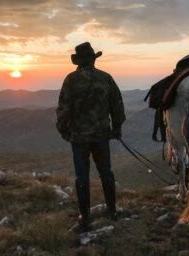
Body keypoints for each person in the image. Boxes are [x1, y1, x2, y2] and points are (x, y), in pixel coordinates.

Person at [56, 42, 126, 230]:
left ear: (78, 61)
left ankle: (85, 217)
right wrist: (116, 129)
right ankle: (112, 211)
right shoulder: (106, 78)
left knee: (82, 176)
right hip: (102, 135)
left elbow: (63, 109)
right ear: (93, 59)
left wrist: (64, 130)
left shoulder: (71, 80)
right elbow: (117, 106)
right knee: (106, 172)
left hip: (79, 137)